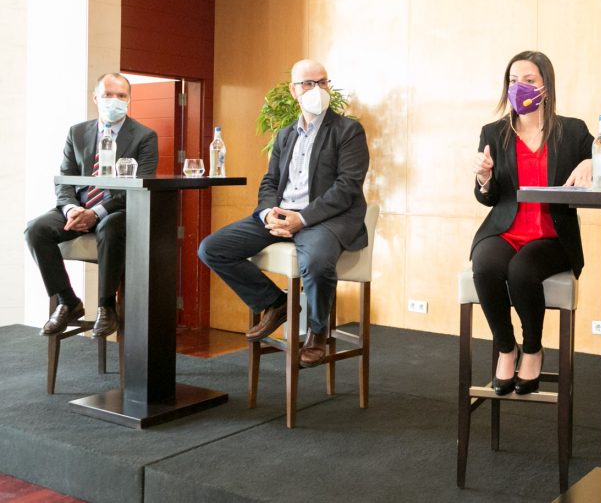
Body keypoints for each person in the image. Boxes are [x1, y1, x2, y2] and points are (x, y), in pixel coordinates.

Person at [199, 59, 369, 367]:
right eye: (308, 83)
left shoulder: (348, 130)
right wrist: (267, 214)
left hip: (325, 219)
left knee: (316, 261)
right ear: (293, 91)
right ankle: (275, 302)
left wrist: (301, 219)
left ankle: (317, 333)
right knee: (212, 249)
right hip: (281, 213)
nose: (317, 89)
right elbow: (270, 182)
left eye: (322, 82)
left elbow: (347, 188)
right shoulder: (285, 134)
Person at [470, 50, 593, 396]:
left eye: (528, 81)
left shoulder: (571, 131)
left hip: (552, 235)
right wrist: (483, 179)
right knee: (485, 265)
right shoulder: (493, 132)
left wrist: (592, 163)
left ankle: (533, 349)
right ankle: (506, 349)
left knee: (522, 271)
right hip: (505, 229)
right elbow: (488, 198)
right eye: (513, 81)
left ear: (546, 88)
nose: (519, 88)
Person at [25, 73, 160, 338]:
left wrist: (96, 212)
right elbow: (64, 180)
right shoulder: (77, 132)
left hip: (117, 211)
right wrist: (72, 209)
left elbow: (140, 186)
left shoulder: (145, 136)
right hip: (78, 207)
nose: (114, 101)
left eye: (121, 96)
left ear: (129, 100)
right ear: (96, 97)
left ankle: (106, 306)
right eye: (108, 95)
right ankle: (68, 301)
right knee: (35, 230)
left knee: (109, 227)